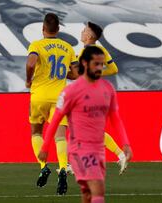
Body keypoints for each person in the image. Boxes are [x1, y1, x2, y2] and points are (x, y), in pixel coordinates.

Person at [39, 46, 133, 202]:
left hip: (94, 149)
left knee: (94, 191)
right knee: (90, 192)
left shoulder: (106, 88)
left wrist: (126, 145)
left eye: (100, 65)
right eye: (96, 64)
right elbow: (55, 119)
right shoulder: (70, 91)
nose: (99, 68)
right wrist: (45, 146)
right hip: (80, 147)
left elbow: (115, 118)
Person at [25, 13, 77, 193]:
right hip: (60, 97)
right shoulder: (67, 47)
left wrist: (28, 79)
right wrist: (63, 74)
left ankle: (43, 166)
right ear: (58, 29)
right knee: (60, 135)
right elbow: (76, 74)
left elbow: (31, 63)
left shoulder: (36, 45)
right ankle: (63, 168)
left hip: (39, 94)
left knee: (36, 131)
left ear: (43, 28)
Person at [79, 21, 127, 174]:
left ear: (89, 35)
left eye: (84, 30)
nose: (82, 32)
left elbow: (79, 74)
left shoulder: (84, 52)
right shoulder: (101, 49)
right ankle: (120, 154)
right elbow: (114, 69)